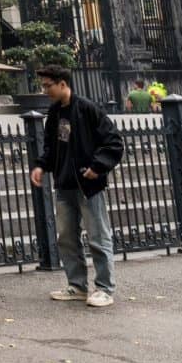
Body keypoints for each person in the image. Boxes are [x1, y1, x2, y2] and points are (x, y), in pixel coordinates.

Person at [29, 66, 123, 308]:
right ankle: (77, 286)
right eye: (43, 85)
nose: (45, 90)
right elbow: (52, 146)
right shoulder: (54, 113)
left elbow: (113, 141)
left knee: (97, 235)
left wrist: (98, 166)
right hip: (64, 183)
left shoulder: (87, 109)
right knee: (67, 237)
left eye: (48, 85)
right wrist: (41, 165)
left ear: (63, 84)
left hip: (88, 183)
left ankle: (104, 288)